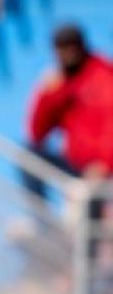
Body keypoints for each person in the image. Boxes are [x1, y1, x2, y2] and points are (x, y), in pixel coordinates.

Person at [28, 25, 113, 192]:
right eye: (62, 48)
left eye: (71, 46)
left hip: (102, 167)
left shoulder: (104, 77)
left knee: (92, 206)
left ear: (81, 46)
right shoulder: (59, 83)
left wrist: (105, 163)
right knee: (31, 155)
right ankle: (40, 215)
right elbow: (36, 134)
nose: (68, 53)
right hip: (74, 166)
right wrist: (49, 95)